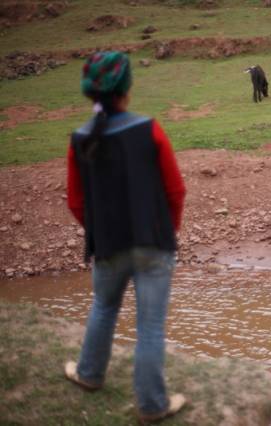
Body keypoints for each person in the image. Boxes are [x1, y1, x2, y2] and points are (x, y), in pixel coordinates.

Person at [64, 51, 187, 423]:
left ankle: (89, 374)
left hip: (108, 246)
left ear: (91, 94)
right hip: (153, 243)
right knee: (149, 326)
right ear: (127, 88)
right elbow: (175, 191)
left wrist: (98, 232)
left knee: (103, 307)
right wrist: (167, 231)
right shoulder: (149, 128)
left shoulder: (79, 138)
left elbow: (75, 202)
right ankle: (151, 405)